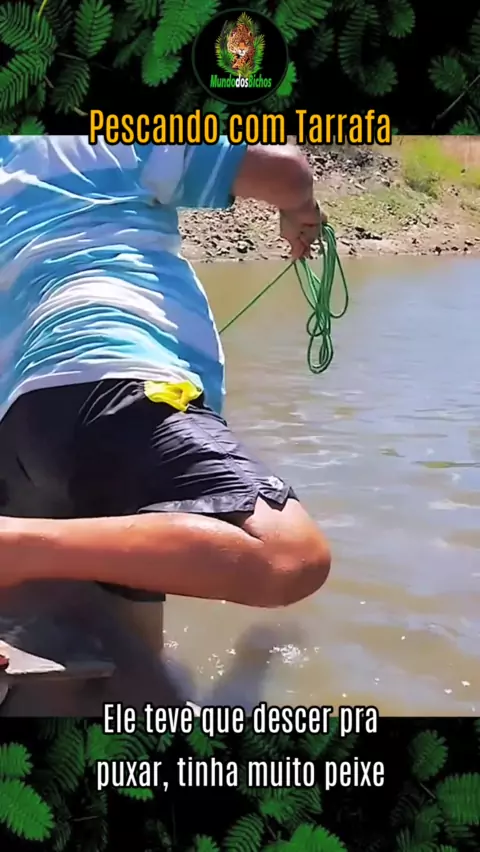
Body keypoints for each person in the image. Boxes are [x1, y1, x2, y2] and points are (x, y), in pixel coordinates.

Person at [0, 135, 331, 617]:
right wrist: (300, 211)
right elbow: (284, 171)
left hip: (19, 427)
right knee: (287, 554)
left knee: (122, 629)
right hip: (116, 381)